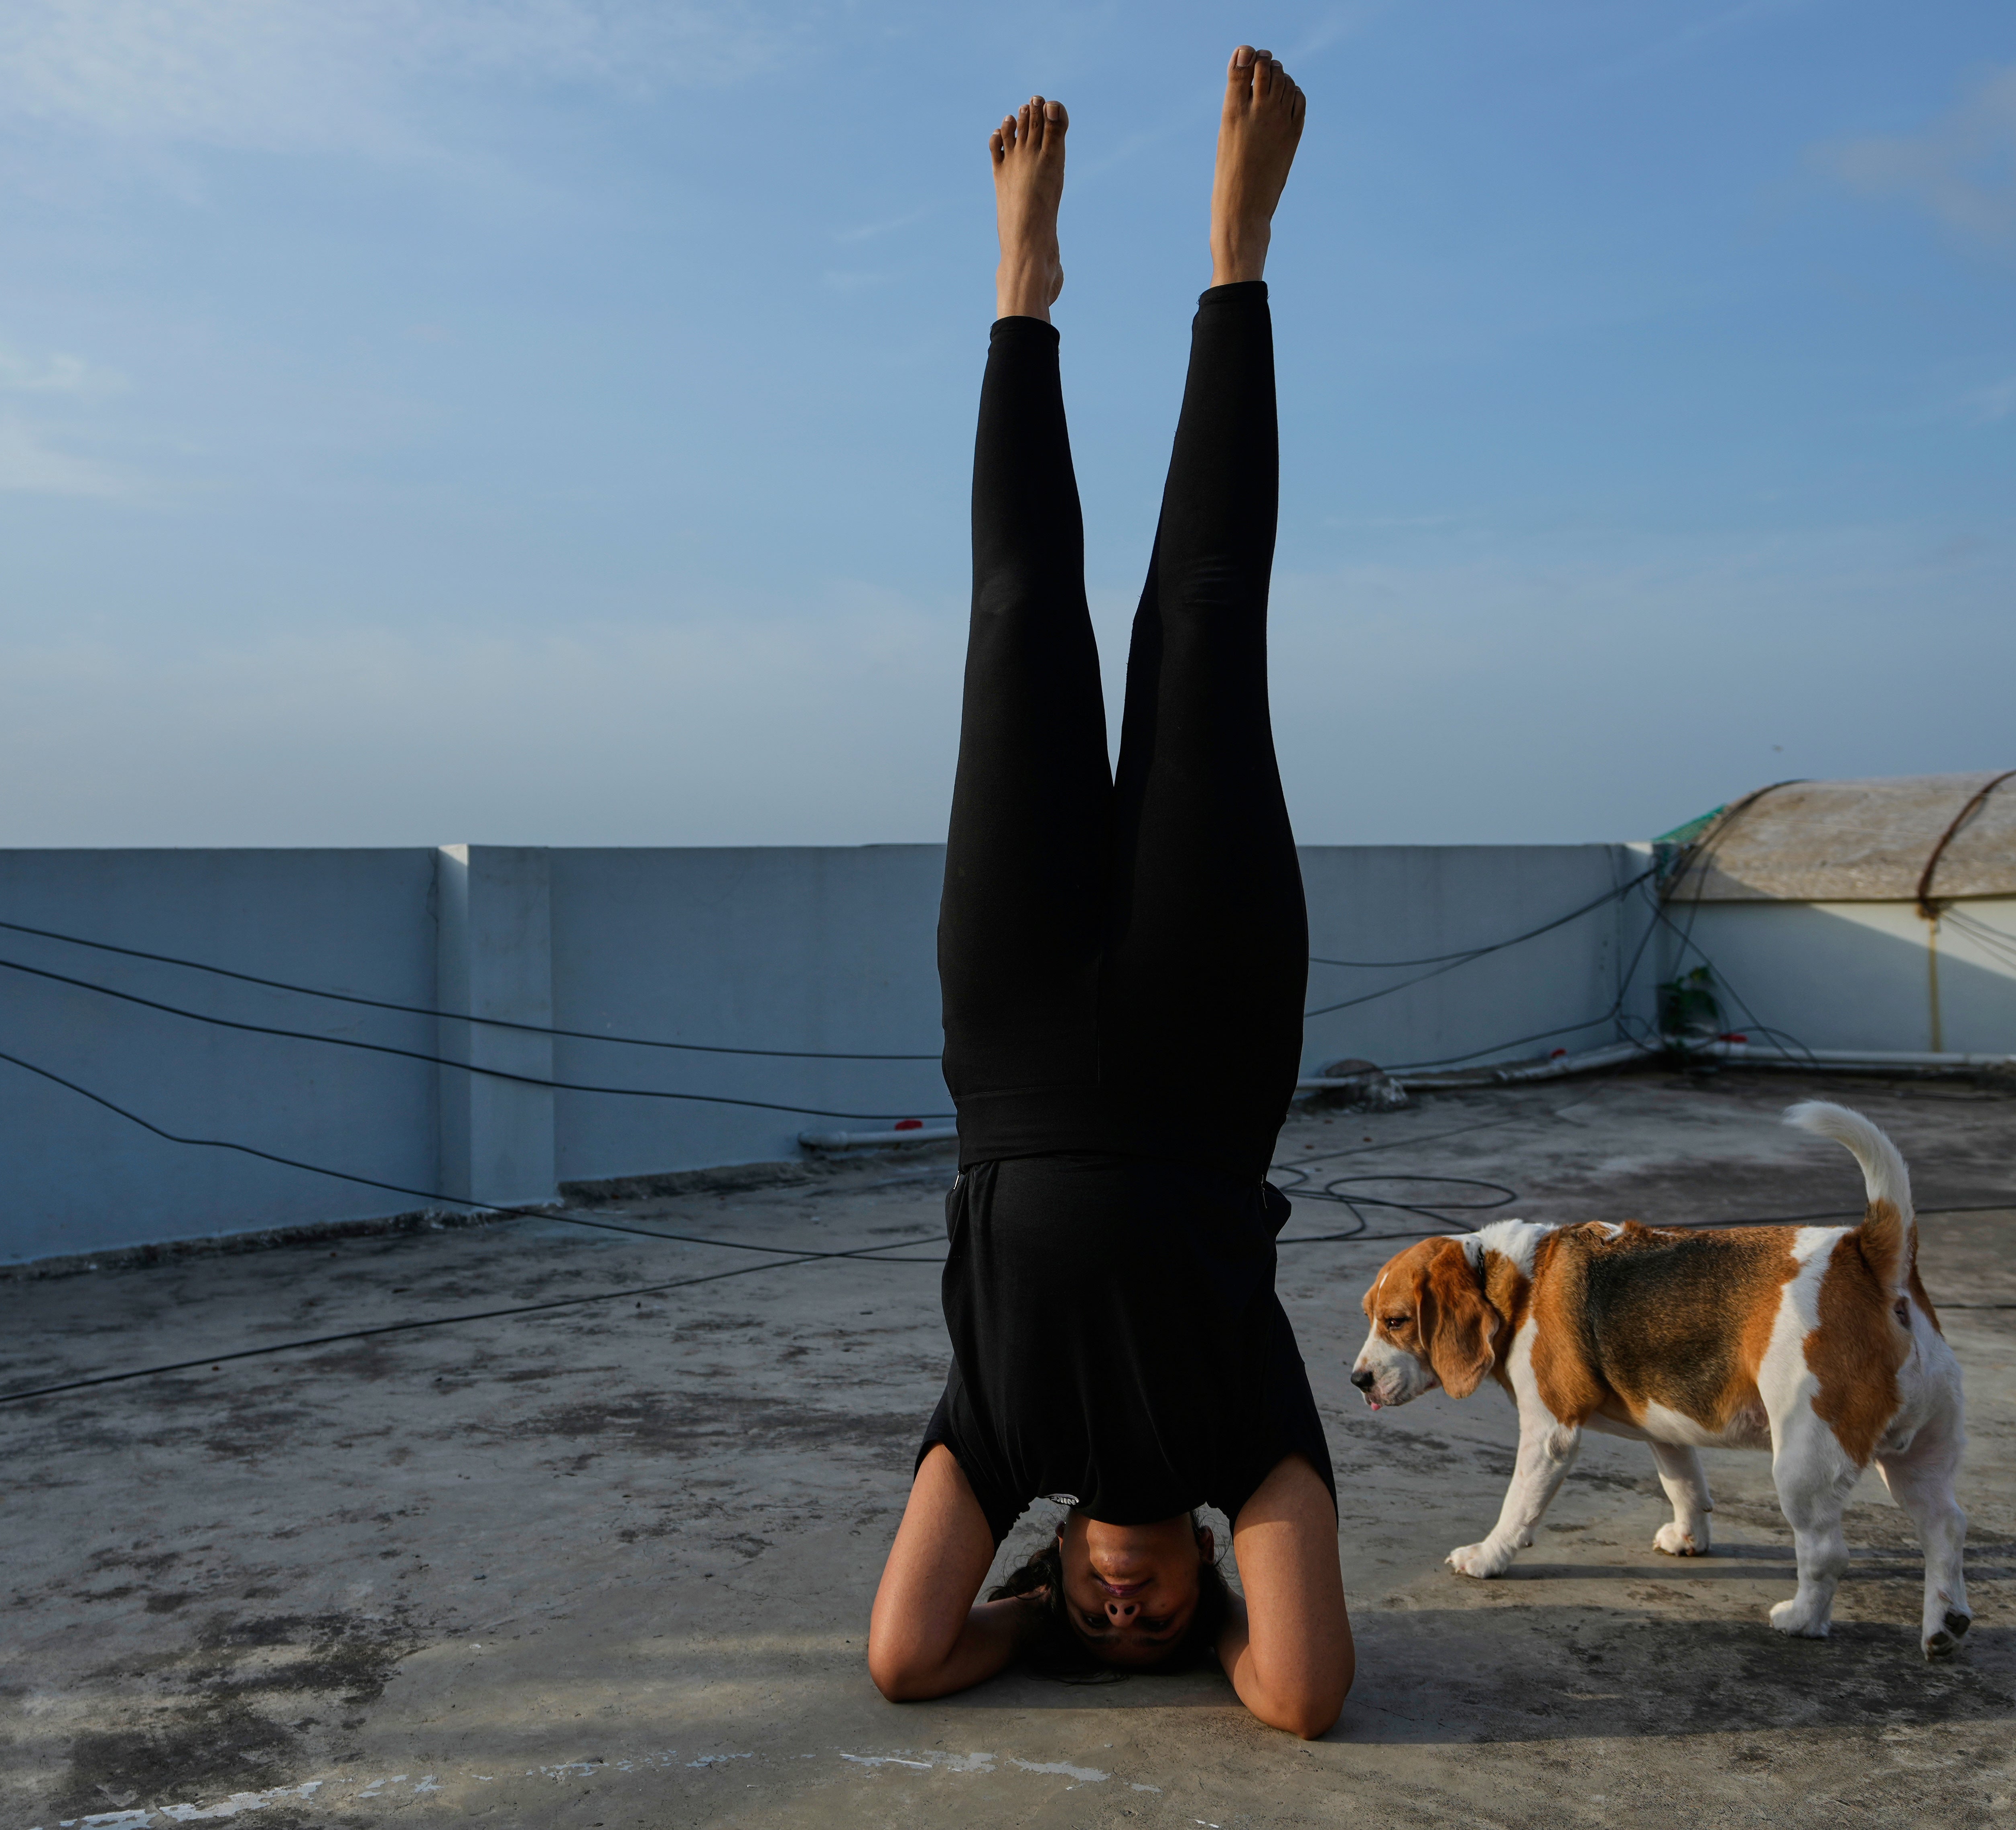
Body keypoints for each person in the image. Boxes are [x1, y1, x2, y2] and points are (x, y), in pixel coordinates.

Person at [863, 47, 1353, 1739]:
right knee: (1201, 624)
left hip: (1010, 1058)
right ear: (1204, 1589)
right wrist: (1218, 1621)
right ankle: (1237, 245)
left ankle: (1023, 285)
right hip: (1211, 1060)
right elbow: (1297, 1696)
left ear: (1051, 1572)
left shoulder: (999, 1442)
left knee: (1019, 620)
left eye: (1089, 1615)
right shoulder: (1249, 1447)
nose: (1119, 1603)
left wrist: (1024, 1625)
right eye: (1152, 1626)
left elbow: (907, 1657)